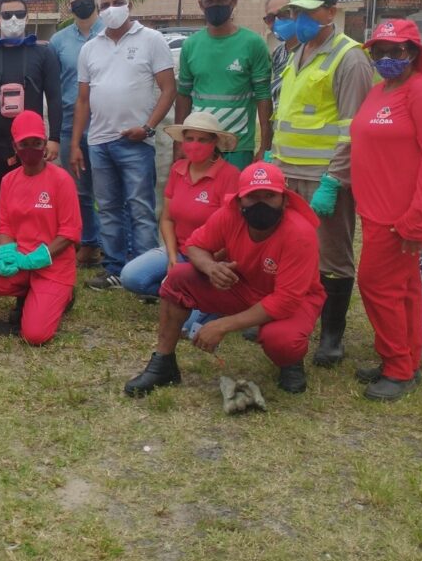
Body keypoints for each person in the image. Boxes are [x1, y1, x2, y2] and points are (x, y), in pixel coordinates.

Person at [123, 162, 325, 397]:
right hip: (243, 285)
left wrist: (222, 325)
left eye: (270, 196)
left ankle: (290, 362)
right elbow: (195, 245)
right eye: (253, 196)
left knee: (282, 340)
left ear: (285, 199)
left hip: (295, 300)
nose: (261, 203)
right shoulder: (229, 214)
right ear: (240, 201)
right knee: (178, 277)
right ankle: (163, 362)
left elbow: (286, 300)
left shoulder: (299, 232)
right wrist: (210, 267)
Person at [350, 19, 422, 401]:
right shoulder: (380, 90)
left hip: (402, 216)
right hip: (375, 210)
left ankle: (397, 368)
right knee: (404, 289)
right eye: (378, 51)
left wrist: (417, 218)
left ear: (413, 52)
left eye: (394, 51)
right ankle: (404, 360)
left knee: (377, 286)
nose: (385, 58)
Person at [273, 0, 373, 368]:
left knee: (331, 256)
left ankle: (332, 336)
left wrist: (334, 180)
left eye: (310, 11)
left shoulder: (350, 58)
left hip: (323, 177)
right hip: (287, 170)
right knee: (291, 250)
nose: (300, 18)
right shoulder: (297, 52)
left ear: (332, 12)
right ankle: (290, 314)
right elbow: (290, 111)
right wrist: (272, 154)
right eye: (296, 11)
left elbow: (353, 128)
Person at [69, 0, 176, 291]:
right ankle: (115, 268)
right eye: (106, 4)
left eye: (118, 2)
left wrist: (148, 127)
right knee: (109, 207)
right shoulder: (90, 47)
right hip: (99, 142)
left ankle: (144, 272)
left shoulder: (151, 40)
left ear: (130, 6)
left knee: (141, 207)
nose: (111, 8)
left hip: (135, 141)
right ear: (99, 9)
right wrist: (76, 143)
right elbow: (82, 100)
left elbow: (168, 89)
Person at [0, 0, 62, 252]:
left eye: (19, 14)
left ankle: (30, 254)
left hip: (32, 146)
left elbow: (54, 96)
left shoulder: (44, 54)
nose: (13, 19)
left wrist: (55, 139)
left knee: (33, 204)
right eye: (7, 15)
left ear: (27, 17)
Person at [0, 111, 82, 345]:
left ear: (45, 144)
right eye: (24, 144)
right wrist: (5, 252)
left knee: (35, 336)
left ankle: (62, 295)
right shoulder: (8, 181)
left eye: (37, 143)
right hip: (22, 259)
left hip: (53, 264)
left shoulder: (61, 180)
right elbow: (5, 225)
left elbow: (70, 232)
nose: (31, 148)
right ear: (15, 145)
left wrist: (40, 257)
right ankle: (27, 294)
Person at [118, 112, 240, 299]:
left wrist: (205, 263)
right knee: (131, 277)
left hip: (211, 258)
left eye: (202, 140)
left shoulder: (229, 175)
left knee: (193, 321)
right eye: (189, 139)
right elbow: (167, 219)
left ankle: (188, 294)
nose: (194, 144)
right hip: (179, 250)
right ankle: (180, 294)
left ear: (214, 142)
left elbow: (233, 232)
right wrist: (173, 257)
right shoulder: (178, 169)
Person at [174, 0, 272, 169]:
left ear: (233, 2)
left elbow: (263, 97)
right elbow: (183, 96)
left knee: (233, 199)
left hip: (238, 145)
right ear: (201, 5)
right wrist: (180, 145)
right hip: (200, 143)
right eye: (209, 0)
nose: (215, 5)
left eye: (221, 0)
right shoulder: (191, 45)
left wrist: (265, 146)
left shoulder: (253, 43)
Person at [48, 0, 104, 268]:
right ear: (68, 3)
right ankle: (90, 244)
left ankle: (118, 248)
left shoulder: (112, 31)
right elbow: (55, 89)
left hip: (107, 123)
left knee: (109, 189)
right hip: (71, 122)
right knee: (79, 190)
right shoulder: (59, 41)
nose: (81, 0)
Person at [263, 0, 297, 112]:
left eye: (284, 14)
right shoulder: (278, 52)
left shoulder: (315, 50)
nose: (277, 22)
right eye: (270, 18)